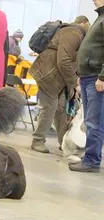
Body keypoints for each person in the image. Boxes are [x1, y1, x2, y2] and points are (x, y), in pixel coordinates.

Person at [29, 17, 89, 154]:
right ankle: (37, 140)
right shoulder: (74, 34)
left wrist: (72, 85)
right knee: (50, 106)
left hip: (57, 77)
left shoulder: (77, 35)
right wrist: (74, 83)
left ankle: (64, 142)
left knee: (61, 108)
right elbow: (63, 61)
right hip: (48, 74)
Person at [70, 2, 104, 173]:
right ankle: (90, 158)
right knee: (91, 121)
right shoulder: (100, 18)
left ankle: (92, 160)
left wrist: (103, 77)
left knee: (94, 122)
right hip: (88, 76)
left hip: (96, 77)